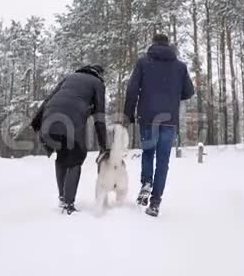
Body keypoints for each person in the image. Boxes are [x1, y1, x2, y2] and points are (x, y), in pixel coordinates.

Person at [124, 34, 195, 217]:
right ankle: (155, 202)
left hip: (148, 117)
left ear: (153, 44)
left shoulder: (143, 63)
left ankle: (146, 183)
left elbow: (132, 89)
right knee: (163, 160)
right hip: (169, 120)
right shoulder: (180, 67)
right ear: (168, 45)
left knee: (148, 152)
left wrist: (128, 114)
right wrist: (172, 93)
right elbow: (189, 92)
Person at [31, 65, 108, 215]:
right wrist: (104, 144)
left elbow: (49, 98)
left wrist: (36, 122)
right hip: (71, 122)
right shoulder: (97, 83)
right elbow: (100, 116)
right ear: (98, 74)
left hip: (49, 120)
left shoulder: (69, 77)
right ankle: (68, 203)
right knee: (75, 159)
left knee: (62, 157)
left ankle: (63, 198)